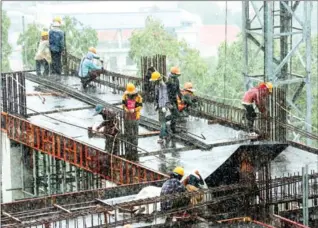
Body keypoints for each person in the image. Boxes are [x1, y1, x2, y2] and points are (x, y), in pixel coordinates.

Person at [122, 83, 143, 162]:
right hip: (127, 116)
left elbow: (140, 106)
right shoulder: (125, 96)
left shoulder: (138, 97)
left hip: (135, 117)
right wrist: (128, 110)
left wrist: (134, 110)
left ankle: (134, 146)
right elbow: (123, 105)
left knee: (135, 132)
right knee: (128, 131)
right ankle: (129, 145)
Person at [149, 71, 169, 143]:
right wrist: (156, 104)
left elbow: (165, 97)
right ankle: (166, 134)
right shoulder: (157, 85)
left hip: (163, 106)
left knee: (162, 121)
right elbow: (156, 97)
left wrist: (164, 106)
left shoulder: (163, 86)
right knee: (161, 120)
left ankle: (161, 137)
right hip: (160, 105)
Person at [166, 66, 182, 134]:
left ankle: (173, 128)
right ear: (173, 74)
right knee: (175, 114)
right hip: (169, 100)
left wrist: (181, 98)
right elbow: (165, 91)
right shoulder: (169, 80)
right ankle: (164, 120)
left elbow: (178, 90)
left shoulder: (177, 80)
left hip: (174, 99)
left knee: (175, 114)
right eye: (176, 74)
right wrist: (168, 102)